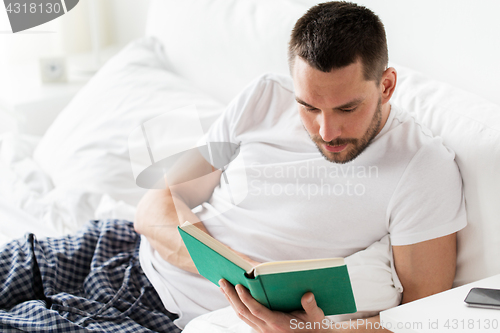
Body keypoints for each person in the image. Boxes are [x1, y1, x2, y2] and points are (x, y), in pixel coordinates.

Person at [0, 2, 466, 333]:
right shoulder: (265, 97)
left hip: (158, 317)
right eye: (308, 107)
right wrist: (225, 267)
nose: (325, 131)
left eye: (346, 109)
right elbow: (161, 199)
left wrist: (315, 332)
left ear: (386, 85)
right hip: (115, 248)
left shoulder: (422, 169)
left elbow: (423, 315)